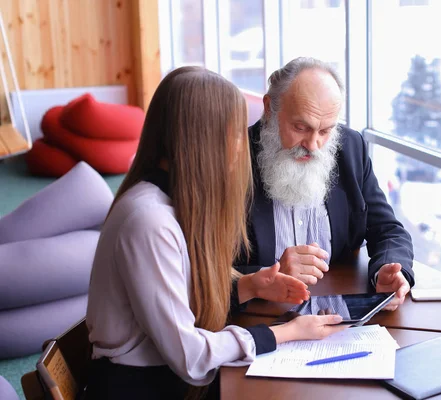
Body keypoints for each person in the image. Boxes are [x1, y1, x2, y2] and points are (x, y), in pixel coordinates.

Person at [85, 66, 347, 400]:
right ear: (203, 140)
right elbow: (191, 358)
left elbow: (175, 300)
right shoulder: (148, 221)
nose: (243, 146)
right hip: (143, 387)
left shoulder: (168, 202)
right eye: (237, 133)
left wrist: (249, 286)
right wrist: (284, 333)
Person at [235, 57, 415, 311]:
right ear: (269, 109)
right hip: (259, 317)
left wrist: (387, 271)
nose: (313, 144)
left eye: (325, 131)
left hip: (339, 311)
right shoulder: (232, 160)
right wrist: (266, 276)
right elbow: (204, 269)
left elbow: (388, 230)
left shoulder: (350, 148)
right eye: (300, 127)